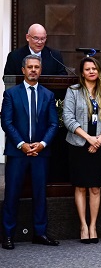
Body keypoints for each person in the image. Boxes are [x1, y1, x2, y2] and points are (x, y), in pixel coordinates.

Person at [1, 55, 59, 250]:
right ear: (23, 70)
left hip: (41, 153)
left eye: (37, 67)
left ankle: (40, 233)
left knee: (40, 193)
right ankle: (8, 235)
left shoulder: (48, 95)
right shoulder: (11, 94)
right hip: (18, 153)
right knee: (12, 193)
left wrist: (42, 144)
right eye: (30, 67)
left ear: (40, 70)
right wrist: (21, 144)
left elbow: (53, 123)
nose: (33, 70)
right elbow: (6, 122)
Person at [63, 57, 101, 244]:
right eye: (87, 69)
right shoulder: (74, 91)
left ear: (99, 71)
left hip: (99, 146)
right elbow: (68, 118)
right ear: (82, 73)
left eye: (94, 68)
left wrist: (99, 140)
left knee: (95, 187)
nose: (91, 71)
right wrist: (89, 139)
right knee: (80, 186)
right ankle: (83, 225)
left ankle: (93, 225)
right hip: (78, 145)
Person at [4, 24, 68, 77]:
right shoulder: (14, 56)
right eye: (36, 38)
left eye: (43, 39)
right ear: (27, 37)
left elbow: (63, 77)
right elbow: (8, 80)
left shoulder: (54, 55)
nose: (40, 42)